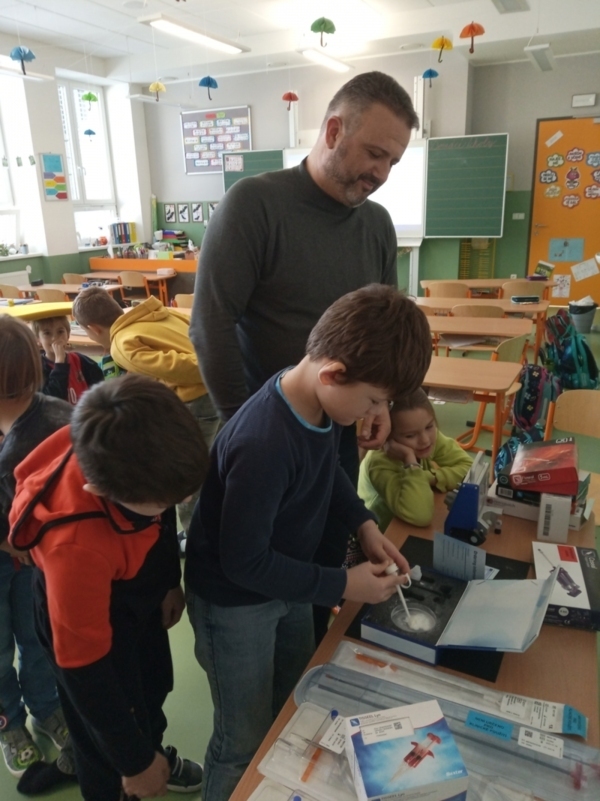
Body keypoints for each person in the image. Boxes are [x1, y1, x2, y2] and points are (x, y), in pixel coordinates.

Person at [190, 70, 420, 640]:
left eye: (393, 162)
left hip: (336, 430)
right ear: (334, 130)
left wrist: (383, 405)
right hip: (268, 440)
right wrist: (246, 425)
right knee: (261, 571)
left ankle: (308, 665)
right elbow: (210, 325)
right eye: (375, 154)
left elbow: (388, 327)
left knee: (321, 566)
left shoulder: (377, 225)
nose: (382, 173)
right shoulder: (254, 204)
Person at [185, 284, 432, 801]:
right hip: (236, 605)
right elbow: (244, 562)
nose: (376, 412)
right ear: (333, 374)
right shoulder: (262, 442)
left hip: (290, 583)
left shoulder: (318, 403)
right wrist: (342, 584)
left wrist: (363, 523)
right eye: (373, 399)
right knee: (242, 741)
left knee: (292, 709)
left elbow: (326, 474)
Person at [7, 375, 211, 801]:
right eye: (163, 503)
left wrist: (169, 581)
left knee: (151, 688)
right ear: (100, 490)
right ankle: (122, 776)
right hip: (84, 625)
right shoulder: (73, 548)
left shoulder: (133, 457)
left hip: (136, 593)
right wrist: (133, 762)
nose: (170, 508)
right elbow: (86, 673)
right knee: (101, 735)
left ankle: (151, 749)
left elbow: (160, 516)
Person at [73, 287, 219, 534]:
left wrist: (217, 365)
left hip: (199, 400)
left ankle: (194, 534)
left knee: (187, 475)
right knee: (215, 460)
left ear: (93, 329)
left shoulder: (122, 345)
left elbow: (193, 367)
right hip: (220, 391)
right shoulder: (159, 313)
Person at [0, 317, 72, 780]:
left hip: (31, 559)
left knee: (37, 638)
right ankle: (8, 723)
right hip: (13, 550)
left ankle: (46, 708)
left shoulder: (52, 417)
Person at [359, 389, 473, 530]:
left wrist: (430, 477)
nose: (425, 440)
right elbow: (420, 515)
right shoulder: (379, 463)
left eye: (429, 426)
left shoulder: (428, 438)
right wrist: (410, 460)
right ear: (387, 436)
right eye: (410, 436)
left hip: (411, 523)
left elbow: (470, 469)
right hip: (383, 532)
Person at [32, 316, 103, 404]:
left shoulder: (80, 360)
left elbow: (99, 385)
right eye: (47, 333)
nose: (54, 338)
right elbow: (52, 399)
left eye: (60, 332)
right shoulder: (37, 368)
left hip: (84, 411)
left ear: (68, 335)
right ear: (38, 339)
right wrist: (60, 363)